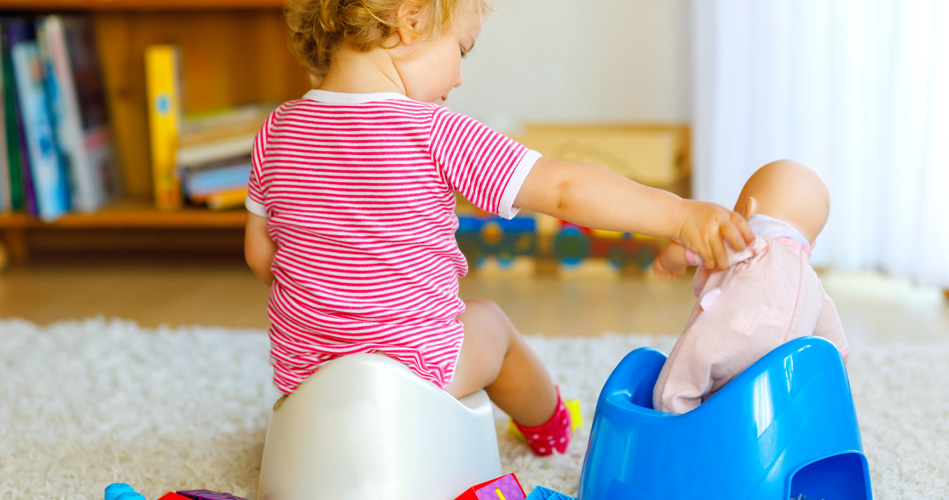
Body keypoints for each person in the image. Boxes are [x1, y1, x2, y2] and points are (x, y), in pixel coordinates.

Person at [243, 0, 753, 456]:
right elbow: (563, 190)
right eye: (461, 50)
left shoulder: (276, 128)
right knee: (489, 323)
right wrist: (680, 215)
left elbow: (261, 257)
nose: (460, 78)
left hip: (305, 378)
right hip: (419, 373)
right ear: (411, 19)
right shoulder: (434, 129)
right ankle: (549, 426)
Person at [651, 159, 850, 414]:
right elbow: (837, 346)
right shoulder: (813, 283)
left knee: (683, 374)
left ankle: (672, 416)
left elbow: (705, 244)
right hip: (780, 374)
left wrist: (670, 258)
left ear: (746, 208)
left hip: (730, 341)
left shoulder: (753, 243)